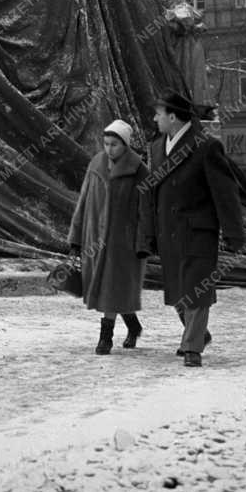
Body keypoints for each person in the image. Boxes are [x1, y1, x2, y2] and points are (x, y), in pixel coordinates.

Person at [138, 90, 245, 368]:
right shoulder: (156, 147)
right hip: (168, 231)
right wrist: (148, 233)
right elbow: (152, 193)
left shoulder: (206, 147)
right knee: (177, 291)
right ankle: (199, 334)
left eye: (158, 114)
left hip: (199, 231)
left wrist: (234, 233)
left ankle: (192, 347)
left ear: (173, 117)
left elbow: (226, 193)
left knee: (196, 289)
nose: (154, 119)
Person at [68, 119, 149, 355]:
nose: (109, 149)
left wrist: (143, 242)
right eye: (106, 143)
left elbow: (146, 210)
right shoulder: (96, 165)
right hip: (95, 241)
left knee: (112, 288)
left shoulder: (139, 170)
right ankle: (134, 327)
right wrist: (75, 238)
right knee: (111, 290)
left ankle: (105, 338)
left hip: (124, 244)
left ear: (125, 144)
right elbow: (83, 202)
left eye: (114, 144)